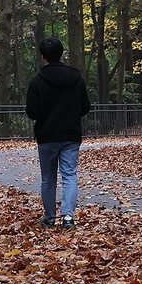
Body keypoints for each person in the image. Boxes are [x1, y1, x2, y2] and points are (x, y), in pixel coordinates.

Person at [25, 37, 91, 230]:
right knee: (69, 174)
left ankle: (50, 216)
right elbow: (85, 107)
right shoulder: (76, 79)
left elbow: (32, 112)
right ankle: (68, 217)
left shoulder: (37, 82)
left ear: (43, 57)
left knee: (48, 177)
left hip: (47, 136)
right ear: (62, 54)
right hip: (70, 134)